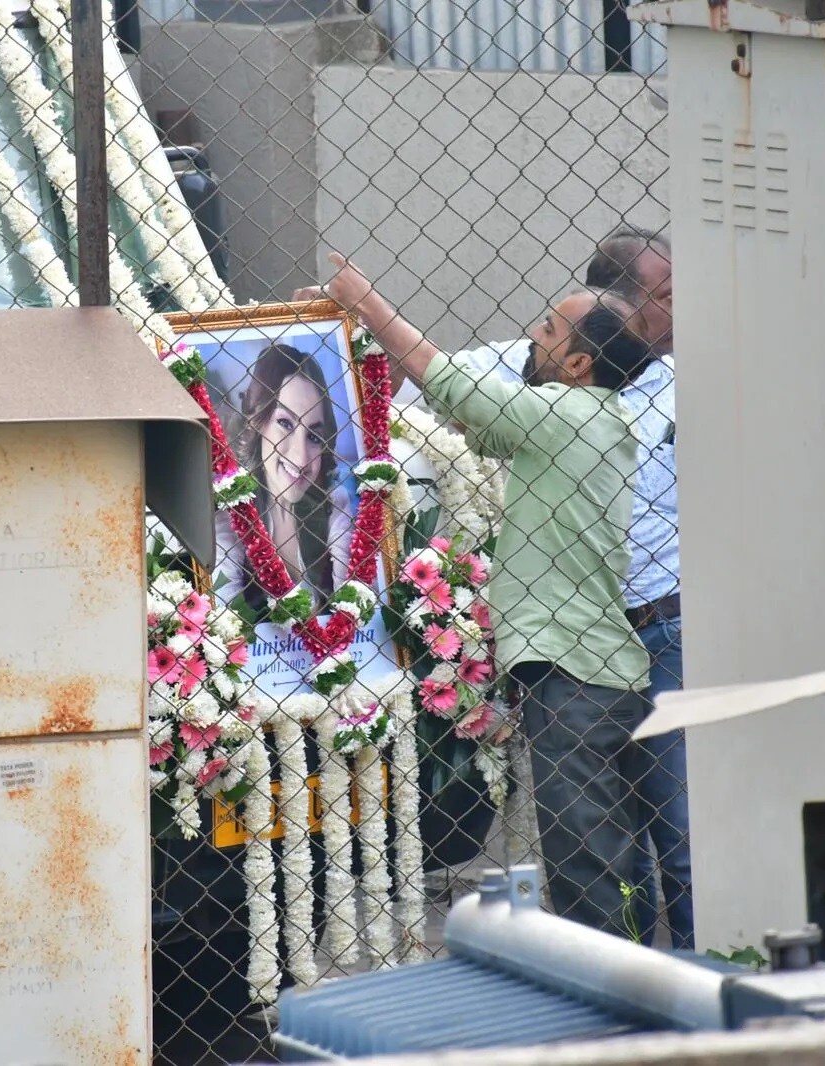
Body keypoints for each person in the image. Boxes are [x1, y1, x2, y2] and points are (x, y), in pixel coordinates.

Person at [315, 252, 654, 935]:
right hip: (584, 669)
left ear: (582, 365)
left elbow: (453, 385)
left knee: (585, 857)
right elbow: (477, 422)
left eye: (551, 330)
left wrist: (366, 300)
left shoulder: (570, 414)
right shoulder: (585, 421)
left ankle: (623, 1006)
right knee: (598, 851)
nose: (533, 333)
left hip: (575, 675)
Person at [585, 226, 692, 950]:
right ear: (618, 308)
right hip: (587, 646)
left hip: (666, 634)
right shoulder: (556, 377)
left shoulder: (694, 379)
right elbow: (434, 381)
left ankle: (703, 971)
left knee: (683, 832)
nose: (682, 307)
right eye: (666, 295)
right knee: (611, 848)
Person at [213, 342, 354, 616]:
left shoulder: (332, 504)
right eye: (285, 424)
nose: (301, 458)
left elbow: (355, 604)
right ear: (258, 421)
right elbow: (222, 612)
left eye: (314, 436)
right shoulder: (231, 507)